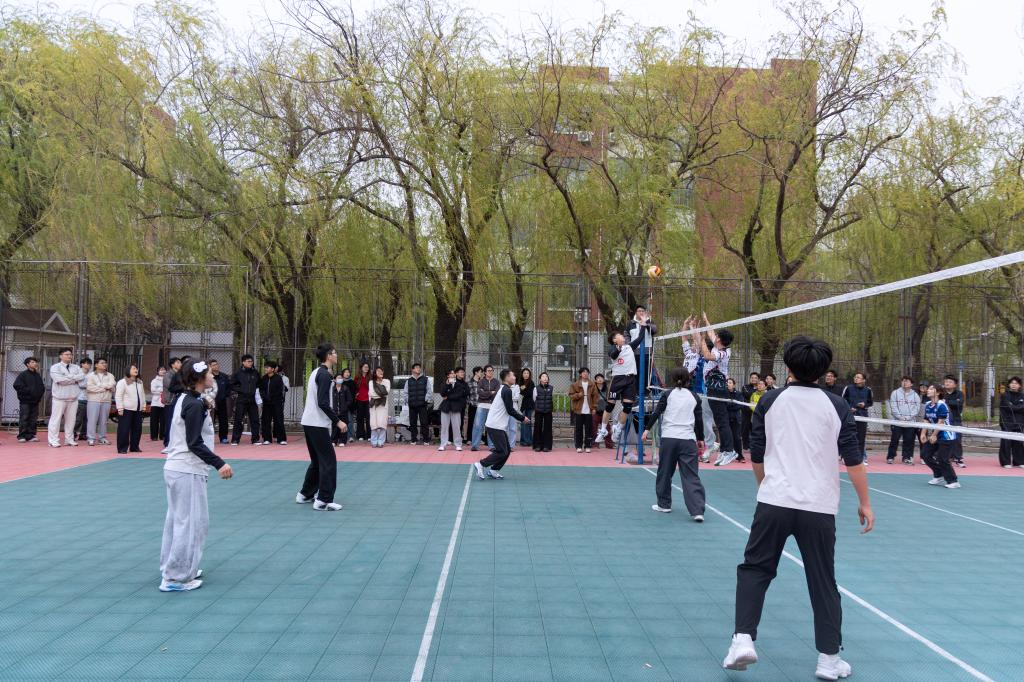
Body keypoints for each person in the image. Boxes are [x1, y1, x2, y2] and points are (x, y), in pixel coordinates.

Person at [722, 336, 873, 680]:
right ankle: (829, 660)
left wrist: (766, 489)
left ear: (787, 367)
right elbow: (853, 459)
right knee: (823, 580)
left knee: (755, 569)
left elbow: (757, 454)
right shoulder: (837, 406)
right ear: (823, 371)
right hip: (818, 507)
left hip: (774, 501)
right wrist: (865, 503)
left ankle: (743, 639)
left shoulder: (770, 400)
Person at [160, 360, 234, 592]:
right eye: (209, 373)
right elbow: (194, 442)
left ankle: (175, 566)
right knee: (191, 523)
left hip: (180, 468)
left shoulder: (188, 399)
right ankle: (175, 577)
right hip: (186, 469)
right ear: (200, 378)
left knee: (178, 520)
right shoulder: (192, 404)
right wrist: (219, 463)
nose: (213, 376)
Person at [642, 366, 706, 519]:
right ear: (688, 379)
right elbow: (699, 420)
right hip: (688, 440)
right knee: (691, 476)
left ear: (672, 379)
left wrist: (646, 430)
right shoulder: (694, 397)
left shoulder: (667, 394)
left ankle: (664, 505)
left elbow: (657, 412)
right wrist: (701, 439)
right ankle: (697, 511)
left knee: (665, 472)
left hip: (669, 439)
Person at [297, 343, 346, 511]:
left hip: (309, 422)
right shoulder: (324, 375)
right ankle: (323, 500)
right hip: (317, 424)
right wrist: (337, 421)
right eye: (334, 353)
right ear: (328, 356)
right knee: (329, 461)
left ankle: (305, 494)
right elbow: (323, 402)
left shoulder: (316, 372)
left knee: (318, 461)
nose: (336, 355)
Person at [688, 313, 739, 467]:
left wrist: (702, 339)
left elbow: (707, 355)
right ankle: (725, 450)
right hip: (712, 389)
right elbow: (711, 333)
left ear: (718, 340)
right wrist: (706, 321)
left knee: (722, 422)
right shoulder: (719, 346)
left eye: (716, 336)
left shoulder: (721, 353)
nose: (714, 336)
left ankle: (729, 451)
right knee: (720, 421)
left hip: (717, 389)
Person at [473, 369, 530, 480]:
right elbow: (510, 410)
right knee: (502, 451)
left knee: (506, 451)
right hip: (494, 425)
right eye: (513, 375)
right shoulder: (506, 390)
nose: (515, 377)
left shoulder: (505, 389)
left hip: (498, 425)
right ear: (507, 378)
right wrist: (523, 418)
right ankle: (481, 464)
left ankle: (493, 470)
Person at [597, 330, 644, 446]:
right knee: (610, 405)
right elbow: (613, 355)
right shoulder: (612, 349)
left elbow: (640, 338)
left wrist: (643, 326)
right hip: (618, 379)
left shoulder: (629, 347)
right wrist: (618, 347)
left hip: (630, 379)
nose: (622, 336)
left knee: (628, 407)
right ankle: (603, 430)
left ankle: (618, 428)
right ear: (614, 340)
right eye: (619, 336)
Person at [682, 323, 717, 463]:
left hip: (704, 394)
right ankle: (704, 445)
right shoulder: (694, 355)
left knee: (704, 420)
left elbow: (699, 341)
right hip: (694, 393)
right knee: (695, 420)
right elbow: (692, 340)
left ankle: (709, 445)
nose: (696, 345)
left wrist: (696, 331)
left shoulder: (708, 359)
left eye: (701, 345)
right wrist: (691, 327)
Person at [920, 384, 960, 488]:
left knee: (942, 459)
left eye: (931, 389)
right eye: (928, 388)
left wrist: (933, 435)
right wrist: (923, 433)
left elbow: (941, 422)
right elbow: (926, 420)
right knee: (925, 454)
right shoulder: (928, 405)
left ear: (938, 393)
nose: (928, 390)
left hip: (947, 436)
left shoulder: (941, 405)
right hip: (936, 434)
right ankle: (939, 474)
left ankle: (953, 481)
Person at [48, 348, 85, 448]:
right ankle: (53, 440)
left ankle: (69, 439)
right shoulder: (55, 367)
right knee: (55, 420)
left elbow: (82, 378)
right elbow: (59, 380)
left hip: (73, 398)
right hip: (59, 398)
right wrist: (74, 378)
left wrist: (68, 377)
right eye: (67, 354)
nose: (69, 356)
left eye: (70, 354)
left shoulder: (76, 367)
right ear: (61, 356)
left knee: (71, 420)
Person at [887, 377, 920, 465]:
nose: (904, 383)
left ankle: (906, 457)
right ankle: (890, 457)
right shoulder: (895, 393)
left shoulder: (915, 395)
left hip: (910, 422)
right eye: (903, 381)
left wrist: (908, 418)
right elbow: (893, 406)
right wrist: (900, 417)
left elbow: (916, 409)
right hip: (897, 422)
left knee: (909, 441)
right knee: (894, 440)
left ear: (911, 384)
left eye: (907, 381)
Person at [841, 372, 872, 463]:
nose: (856, 378)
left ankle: (860, 458)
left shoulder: (868, 390)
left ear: (863, 380)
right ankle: (845, 457)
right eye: (855, 377)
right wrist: (849, 408)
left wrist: (864, 405)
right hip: (849, 417)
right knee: (848, 437)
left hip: (862, 417)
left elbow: (870, 402)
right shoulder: (848, 388)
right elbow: (843, 400)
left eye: (858, 377)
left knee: (861, 439)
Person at [230, 354, 261, 446]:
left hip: (252, 400)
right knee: (238, 419)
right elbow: (232, 384)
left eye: (251, 361)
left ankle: (255, 439)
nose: (250, 363)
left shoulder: (255, 372)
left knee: (255, 420)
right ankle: (235, 439)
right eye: (248, 361)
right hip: (241, 399)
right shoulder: (238, 373)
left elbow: (259, 384)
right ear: (243, 362)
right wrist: (241, 390)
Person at [115, 364, 146, 454]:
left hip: (138, 409)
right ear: (128, 370)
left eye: (136, 368)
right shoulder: (122, 382)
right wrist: (120, 408)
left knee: (137, 429)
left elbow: (142, 394)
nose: (136, 370)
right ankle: (122, 448)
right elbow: (118, 396)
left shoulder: (139, 382)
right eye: (133, 368)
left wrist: (143, 405)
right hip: (126, 409)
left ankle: (134, 447)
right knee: (124, 429)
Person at [13, 356, 45, 442]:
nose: (35, 363)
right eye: (32, 362)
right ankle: (22, 436)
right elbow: (17, 385)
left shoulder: (37, 375)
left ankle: (31, 435)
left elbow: (41, 387)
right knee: (24, 417)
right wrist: (28, 392)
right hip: (25, 401)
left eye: (35, 362)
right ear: (27, 364)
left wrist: (38, 395)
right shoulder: (23, 375)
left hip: (35, 401)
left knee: (33, 418)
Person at [85, 357, 115, 446]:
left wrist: (99, 386)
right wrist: (104, 388)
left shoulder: (110, 375)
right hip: (93, 400)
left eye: (105, 363)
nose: (104, 364)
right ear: (96, 365)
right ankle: (91, 438)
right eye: (102, 363)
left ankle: (102, 438)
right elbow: (89, 388)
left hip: (106, 400)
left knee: (104, 421)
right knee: (92, 420)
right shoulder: (90, 375)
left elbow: (112, 385)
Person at [569, 367, 599, 453]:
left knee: (588, 429)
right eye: (583, 372)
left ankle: (588, 446)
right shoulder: (575, 384)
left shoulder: (592, 384)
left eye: (587, 372)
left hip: (589, 410)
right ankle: (578, 446)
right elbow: (571, 395)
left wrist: (594, 408)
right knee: (578, 429)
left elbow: (595, 397)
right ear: (580, 374)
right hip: (578, 410)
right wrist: (578, 395)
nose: (585, 373)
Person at [257, 360, 287, 445]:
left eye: (268, 367)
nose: (265, 369)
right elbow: (261, 389)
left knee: (279, 420)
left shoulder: (278, 378)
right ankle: (267, 439)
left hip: (277, 403)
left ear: (273, 369)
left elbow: (280, 390)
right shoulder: (264, 378)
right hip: (267, 404)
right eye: (265, 367)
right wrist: (265, 397)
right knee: (266, 421)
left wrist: (272, 397)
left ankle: (281, 439)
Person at [439, 368, 469, 451]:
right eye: (451, 373)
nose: (453, 374)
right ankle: (443, 444)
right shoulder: (444, 384)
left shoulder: (459, 384)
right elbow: (442, 393)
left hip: (456, 407)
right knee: (444, 427)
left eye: (453, 373)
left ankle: (458, 444)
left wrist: (448, 397)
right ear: (448, 375)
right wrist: (447, 385)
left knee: (456, 427)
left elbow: (458, 395)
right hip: (445, 408)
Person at [471, 365, 499, 451]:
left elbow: (496, 393)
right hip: (482, 406)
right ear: (485, 372)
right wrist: (491, 392)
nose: (490, 372)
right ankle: (475, 446)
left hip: (492, 407)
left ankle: (492, 446)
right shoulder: (481, 381)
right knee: (478, 426)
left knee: (491, 426)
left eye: (492, 370)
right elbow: (480, 393)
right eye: (488, 370)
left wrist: (486, 392)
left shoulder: (496, 382)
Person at [998, 377, 1024, 468]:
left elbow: (1021, 408)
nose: (1014, 385)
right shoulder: (1005, 395)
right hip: (1006, 422)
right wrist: (1018, 407)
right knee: (1006, 442)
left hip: (1020, 422)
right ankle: (1006, 462)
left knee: (1019, 442)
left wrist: (1014, 406)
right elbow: (1008, 407)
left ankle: (1019, 461)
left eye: (1016, 383)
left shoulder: (1022, 396)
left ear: (1019, 385)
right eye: (1012, 383)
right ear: (1009, 385)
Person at [404, 363, 432, 446]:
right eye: (416, 367)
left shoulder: (425, 379)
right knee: (412, 423)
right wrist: (408, 400)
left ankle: (426, 439)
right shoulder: (409, 381)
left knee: (424, 422)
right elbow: (405, 392)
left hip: (422, 405)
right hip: (412, 405)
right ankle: (413, 439)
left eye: (419, 367)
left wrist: (425, 399)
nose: (418, 369)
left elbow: (429, 391)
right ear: (412, 370)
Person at [942, 375, 966, 468]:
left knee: (957, 439)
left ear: (955, 385)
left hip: (956, 419)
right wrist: (952, 402)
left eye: (950, 382)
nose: (947, 383)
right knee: (942, 439)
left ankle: (958, 458)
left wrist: (946, 402)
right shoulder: (941, 393)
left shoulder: (959, 393)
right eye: (946, 381)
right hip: (942, 420)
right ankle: (944, 456)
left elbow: (959, 404)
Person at [163, 356, 186, 446]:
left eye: (180, 362)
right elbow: (170, 386)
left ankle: (175, 441)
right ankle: (167, 442)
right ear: (172, 365)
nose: (180, 364)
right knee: (170, 422)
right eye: (178, 362)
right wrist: (184, 386)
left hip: (179, 401)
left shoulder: (180, 374)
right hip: (170, 401)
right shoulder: (168, 375)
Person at [210, 360, 231, 444]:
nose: (216, 366)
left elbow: (228, 388)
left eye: (217, 364)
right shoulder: (208, 377)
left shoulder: (224, 376)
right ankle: (209, 438)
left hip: (222, 401)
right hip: (211, 402)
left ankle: (223, 437)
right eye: (213, 365)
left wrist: (224, 396)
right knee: (210, 421)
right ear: (210, 367)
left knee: (223, 420)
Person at [368, 367, 391, 448]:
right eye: (378, 371)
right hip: (373, 405)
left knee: (382, 423)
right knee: (374, 423)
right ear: (375, 373)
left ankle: (381, 441)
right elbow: (372, 394)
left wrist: (380, 394)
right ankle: (374, 441)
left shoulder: (386, 381)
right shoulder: (371, 382)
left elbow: (386, 392)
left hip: (383, 405)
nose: (381, 372)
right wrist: (381, 394)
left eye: (382, 371)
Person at [533, 372, 554, 452]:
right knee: (538, 427)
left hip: (548, 411)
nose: (545, 378)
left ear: (548, 379)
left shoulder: (551, 388)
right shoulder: (536, 388)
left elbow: (552, 398)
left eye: (546, 376)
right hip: (539, 411)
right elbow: (534, 399)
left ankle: (546, 446)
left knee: (548, 428)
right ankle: (537, 445)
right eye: (543, 376)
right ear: (540, 379)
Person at [73, 357, 92, 441]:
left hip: (89, 398)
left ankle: (83, 434)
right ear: (82, 364)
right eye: (86, 363)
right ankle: (73, 433)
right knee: (78, 418)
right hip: (79, 398)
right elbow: (81, 385)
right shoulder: (78, 372)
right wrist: (91, 386)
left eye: (89, 364)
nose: (88, 365)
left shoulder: (91, 374)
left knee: (86, 419)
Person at [726, 378, 745, 463]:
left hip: (736, 419)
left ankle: (740, 456)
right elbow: (724, 405)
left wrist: (730, 405)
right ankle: (728, 455)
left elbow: (739, 405)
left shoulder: (739, 394)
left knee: (737, 437)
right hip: (726, 418)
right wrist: (731, 404)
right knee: (727, 437)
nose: (728, 384)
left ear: (734, 385)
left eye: (730, 383)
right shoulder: (723, 394)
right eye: (727, 383)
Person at [592, 373, 613, 449]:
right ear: (595, 380)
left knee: (607, 428)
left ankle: (609, 444)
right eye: (597, 378)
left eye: (601, 378)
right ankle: (595, 444)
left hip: (605, 412)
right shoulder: (592, 389)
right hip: (595, 411)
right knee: (593, 428)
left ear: (604, 380)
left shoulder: (607, 389)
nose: (599, 379)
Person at [331, 373, 352, 447]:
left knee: (343, 426)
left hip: (343, 411)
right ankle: (334, 440)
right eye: (338, 378)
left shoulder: (345, 388)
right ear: (334, 380)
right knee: (334, 426)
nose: (340, 379)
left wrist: (345, 406)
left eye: (341, 378)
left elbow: (350, 400)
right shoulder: (332, 389)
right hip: (334, 411)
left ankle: (342, 441)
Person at [354, 362, 371, 441]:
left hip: (368, 399)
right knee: (360, 418)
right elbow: (354, 387)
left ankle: (369, 435)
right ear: (361, 368)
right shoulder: (357, 377)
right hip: (359, 399)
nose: (366, 368)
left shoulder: (370, 377)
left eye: (367, 367)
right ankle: (360, 435)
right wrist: (356, 393)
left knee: (368, 418)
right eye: (365, 367)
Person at [518, 368, 536, 447]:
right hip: (524, 405)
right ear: (522, 374)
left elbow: (528, 393)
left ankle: (527, 441)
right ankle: (524, 441)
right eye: (524, 373)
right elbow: (521, 392)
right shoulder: (521, 382)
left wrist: (523, 389)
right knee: (524, 422)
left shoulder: (531, 382)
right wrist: (523, 389)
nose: (526, 375)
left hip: (529, 405)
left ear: (529, 375)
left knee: (526, 422)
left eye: (527, 373)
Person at [339, 368, 357, 438]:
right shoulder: (340, 382)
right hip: (341, 404)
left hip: (350, 405)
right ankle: (342, 436)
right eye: (345, 372)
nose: (347, 373)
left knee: (350, 420)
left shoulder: (352, 382)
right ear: (343, 373)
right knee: (341, 420)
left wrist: (350, 403)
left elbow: (354, 394)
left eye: (348, 372)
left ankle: (350, 436)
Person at [150, 367, 166, 442]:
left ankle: (162, 436)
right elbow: (153, 390)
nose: (163, 371)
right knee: (154, 420)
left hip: (164, 403)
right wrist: (162, 390)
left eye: (164, 370)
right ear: (158, 371)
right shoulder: (154, 380)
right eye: (161, 370)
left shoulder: (167, 380)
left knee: (163, 420)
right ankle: (154, 436)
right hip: (155, 403)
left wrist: (159, 389)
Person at [466, 367, 482, 444]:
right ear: (476, 372)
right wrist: (469, 403)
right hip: (472, 405)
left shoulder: (482, 382)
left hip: (481, 405)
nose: (481, 373)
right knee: (471, 422)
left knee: (479, 423)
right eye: (480, 372)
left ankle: (478, 439)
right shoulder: (470, 382)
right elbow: (467, 394)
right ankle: (469, 439)